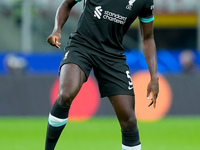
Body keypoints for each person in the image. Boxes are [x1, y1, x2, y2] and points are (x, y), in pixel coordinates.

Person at [45, 0, 159, 150]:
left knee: (129, 120)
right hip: (82, 46)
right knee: (66, 94)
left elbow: (148, 38)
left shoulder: (144, 1)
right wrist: (57, 30)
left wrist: (154, 76)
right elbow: (67, 4)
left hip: (113, 56)